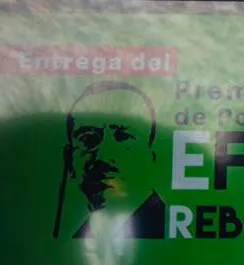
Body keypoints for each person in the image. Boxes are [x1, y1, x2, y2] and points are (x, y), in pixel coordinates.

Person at [52, 80, 166, 240]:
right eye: (88, 138)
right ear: (69, 159)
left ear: (151, 157)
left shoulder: (164, 228)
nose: (103, 157)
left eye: (123, 137)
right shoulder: (74, 235)